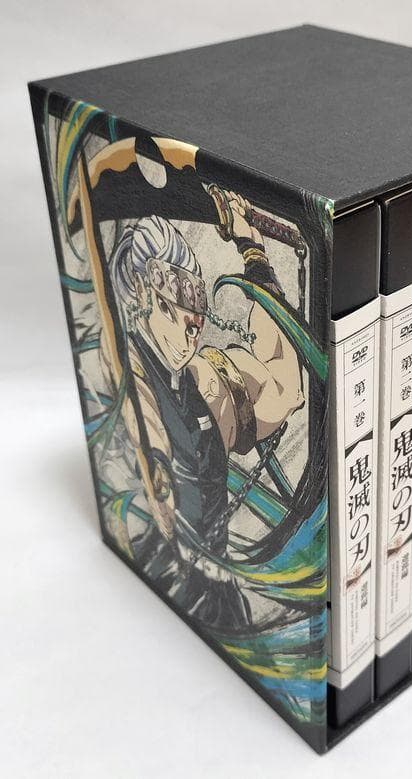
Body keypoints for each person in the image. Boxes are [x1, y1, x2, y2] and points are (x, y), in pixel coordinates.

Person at [102, 192, 304, 631]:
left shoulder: (204, 381)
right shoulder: (121, 364)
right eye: (178, 291)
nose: (194, 319)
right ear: (144, 288)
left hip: (216, 607)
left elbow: (283, 388)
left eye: (198, 295)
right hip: (140, 592)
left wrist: (254, 253)